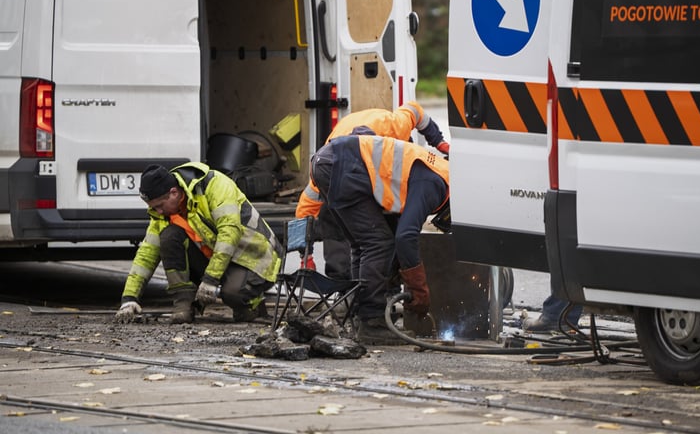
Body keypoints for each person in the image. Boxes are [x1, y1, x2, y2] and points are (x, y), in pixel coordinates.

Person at [309, 131, 449, 344]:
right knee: (379, 244)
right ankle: (372, 322)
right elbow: (405, 236)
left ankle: (361, 312)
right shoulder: (436, 183)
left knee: (364, 244)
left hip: (329, 162)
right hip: (341, 166)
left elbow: (399, 227)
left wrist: (395, 270)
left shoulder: (434, 169)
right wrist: (418, 288)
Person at [295, 101, 450, 280]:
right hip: (339, 168)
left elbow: (415, 110)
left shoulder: (397, 127)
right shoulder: (343, 161)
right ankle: (345, 282)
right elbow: (306, 207)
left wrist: (438, 141)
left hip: (346, 158)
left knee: (382, 223)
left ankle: (374, 285)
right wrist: (305, 256)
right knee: (343, 225)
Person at [114, 162, 281, 325]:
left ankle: (253, 305)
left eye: (159, 205)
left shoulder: (215, 185)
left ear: (173, 192)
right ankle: (183, 304)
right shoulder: (164, 214)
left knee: (233, 294)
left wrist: (210, 280)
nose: (158, 211)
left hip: (256, 257)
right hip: (221, 257)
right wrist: (129, 299)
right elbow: (146, 255)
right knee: (169, 236)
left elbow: (229, 235)